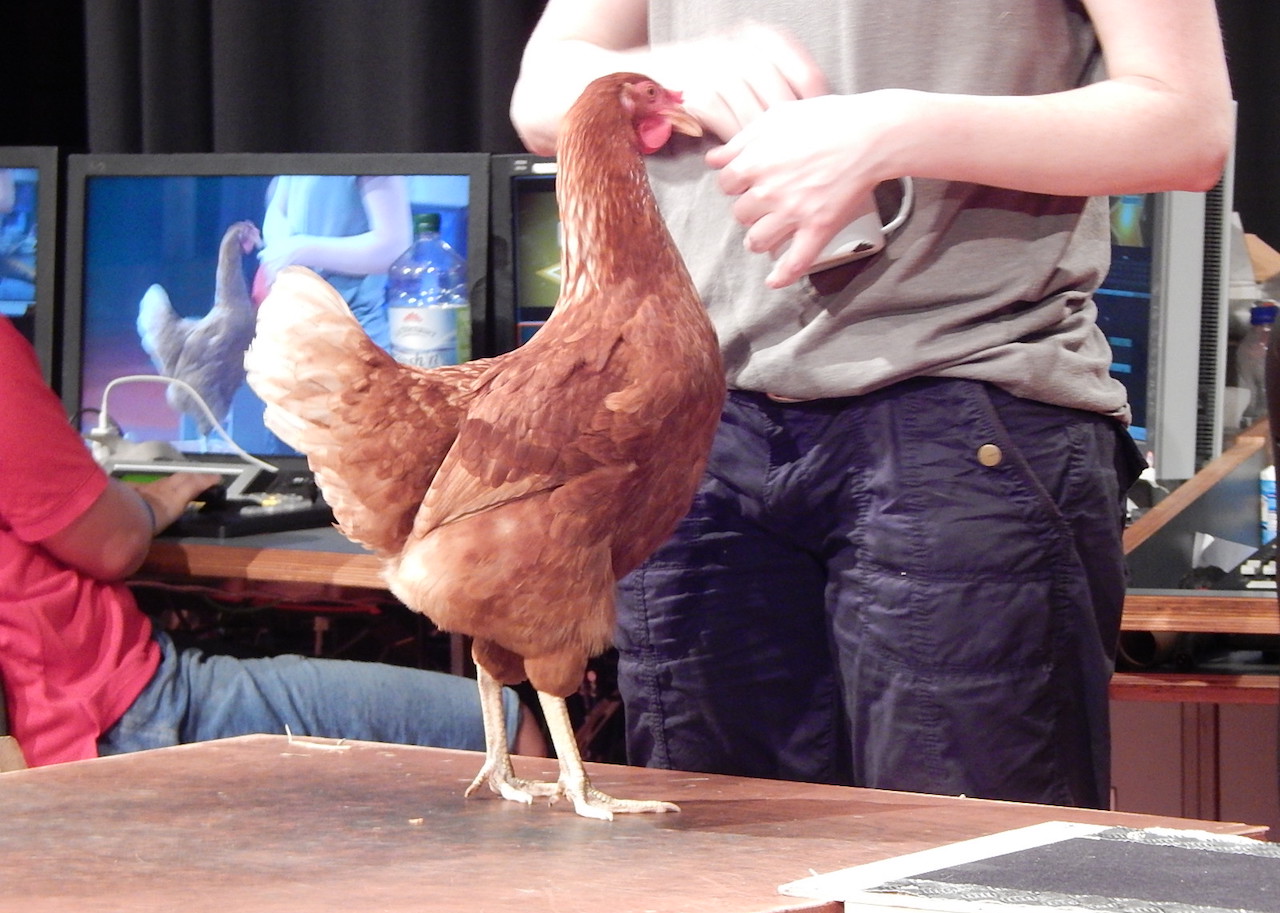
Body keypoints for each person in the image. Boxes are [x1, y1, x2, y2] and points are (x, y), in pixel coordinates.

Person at [509, 0, 1233, 808]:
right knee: (718, 860)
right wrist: (658, 76)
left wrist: (892, 130)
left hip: (963, 403)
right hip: (696, 424)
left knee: (968, 867)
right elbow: (540, 93)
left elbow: (1188, 125)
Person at [0, 316, 544, 767]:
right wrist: (159, 499)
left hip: (65, 713)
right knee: (507, 726)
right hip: (115, 711)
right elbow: (114, 544)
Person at [256, 174, 412, 352]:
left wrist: (301, 251)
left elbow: (393, 248)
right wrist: (280, 248)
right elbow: (277, 208)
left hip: (350, 340)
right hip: (293, 335)